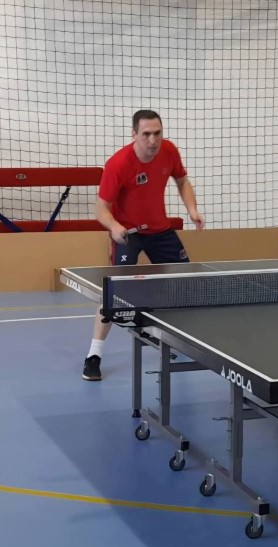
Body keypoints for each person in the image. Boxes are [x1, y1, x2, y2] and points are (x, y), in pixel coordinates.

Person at [82, 109, 205, 381]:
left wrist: (192, 209)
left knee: (184, 282)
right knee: (114, 294)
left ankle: (171, 338)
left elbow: (182, 180)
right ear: (134, 134)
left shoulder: (169, 151)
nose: (153, 140)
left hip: (160, 230)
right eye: (147, 134)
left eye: (157, 133)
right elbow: (101, 209)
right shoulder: (118, 164)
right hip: (128, 233)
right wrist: (114, 226)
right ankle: (94, 355)